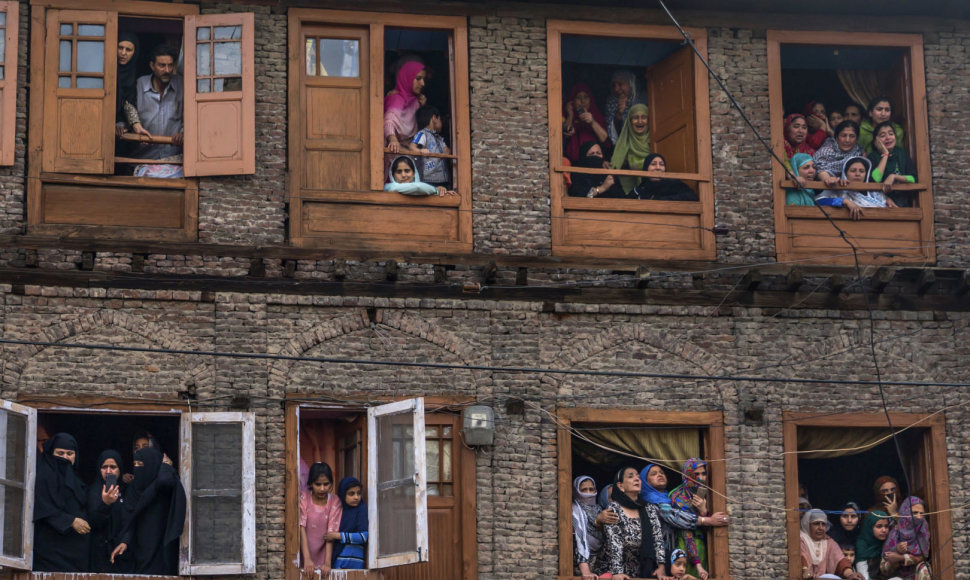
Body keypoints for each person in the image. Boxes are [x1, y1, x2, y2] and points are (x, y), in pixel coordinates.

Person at [110, 447, 185, 575]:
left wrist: (165, 466)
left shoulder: (163, 490)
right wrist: (125, 541)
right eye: (135, 464)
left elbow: (164, 480)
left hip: (161, 549)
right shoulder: (133, 491)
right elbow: (131, 519)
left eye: (141, 464)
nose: (137, 468)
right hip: (140, 550)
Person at [639, 463, 729, 559]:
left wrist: (703, 511)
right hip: (660, 556)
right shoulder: (651, 501)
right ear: (645, 481)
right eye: (653, 474)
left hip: (678, 553)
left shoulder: (670, 497)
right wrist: (708, 520)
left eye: (661, 472)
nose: (660, 475)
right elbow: (675, 516)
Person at [33, 433, 91, 573]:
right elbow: (42, 506)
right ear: (51, 453)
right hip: (51, 551)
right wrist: (71, 521)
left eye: (70, 453)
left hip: (76, 553)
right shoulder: (44, 475)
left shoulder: (76, 479)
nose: (65, 457)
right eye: (60, 453)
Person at [128, 45, 184, 178]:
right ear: (152, 66)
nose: (167, 70)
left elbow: (193, 115)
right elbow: (126, 110)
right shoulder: (139, 85)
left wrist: (183, 131)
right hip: (143, 159)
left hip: (173, 159)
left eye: (170, 65)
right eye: (162, 65)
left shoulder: (182, 85)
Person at [601, 466, 666, 580]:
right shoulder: (614, 509)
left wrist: (661, 567)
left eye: (638, 477)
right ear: (621, 486)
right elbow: (614, 542)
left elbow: (657, 538)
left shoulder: (648, 508)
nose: (637, 479)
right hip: (615, 570)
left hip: (642, 570)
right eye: (631, 476)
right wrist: (617, 572)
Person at [87, 450, 132, 573]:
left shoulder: (127, 491)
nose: (108, 471)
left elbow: (133, 520)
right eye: (104, 467)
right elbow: (92, 523)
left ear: (120, 469)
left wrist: (125, 541)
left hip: (122, 552)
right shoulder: (93, 491)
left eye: (113, 467)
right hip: (99, 554)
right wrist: (105, 503)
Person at [668, 459, 713, 580]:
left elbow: (712, 528)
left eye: (704, 474)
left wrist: (703, 511)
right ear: (687, 474)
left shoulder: (709, 494)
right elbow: (685, 531)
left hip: (702, 547)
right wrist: (697, 564)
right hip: (683, 551)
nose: (701, 478)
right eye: (696, 474)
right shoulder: (677, 496)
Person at [816, 156, 896, 219]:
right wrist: (845, 201)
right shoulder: (839, 190)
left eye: (861, 171)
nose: (857, 174)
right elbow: (818, 201)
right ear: (845, 173)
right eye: (853, 171)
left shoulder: (875, 193)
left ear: (866, 174)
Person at [299, 462, 342, 578]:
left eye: (326, 484)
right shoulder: (304, 498)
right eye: (318, 484)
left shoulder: (335, 501)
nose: (322, 488)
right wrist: (307, 559)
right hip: (304, 554)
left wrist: (327, 563)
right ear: (311, 483)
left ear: (331, 484)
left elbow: (331, 534)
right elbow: (301, 528)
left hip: (324, 556)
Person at [571, 475, 615, 579]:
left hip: (601, 563)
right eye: (584, 490)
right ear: (576, 491)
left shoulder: (599, 509)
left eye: (591, 489)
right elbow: (579, 536)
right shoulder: (574, 510)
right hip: (580, 563)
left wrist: (599, 523)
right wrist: (597, 521)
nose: (588, 493)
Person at [800, 509, 862, 580]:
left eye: (823, 524)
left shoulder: (828, 542)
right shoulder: (801, 540)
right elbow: (801, 558)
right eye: (816, 523)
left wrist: (850, 574)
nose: (821, 528)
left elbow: (840, 561)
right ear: (807, 524)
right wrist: (805, 570)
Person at [868, 121, 918, 207]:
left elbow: (913, 179)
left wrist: (893, 176)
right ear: (876, 141)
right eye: (882, 136)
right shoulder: (873, 157)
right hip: (881, 202)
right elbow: (874, 180)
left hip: (903, 202)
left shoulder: (902, 153)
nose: (888, 138)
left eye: (891, 134)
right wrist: (885, 154)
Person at [881, 497, 931, 580]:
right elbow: (883, 569)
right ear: (905, 512)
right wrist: (897, 551)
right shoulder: (895, 532)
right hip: (896, 575)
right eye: (914, 513)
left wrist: (902, 557)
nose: (919, 517)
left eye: (922, 513)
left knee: (925, 569)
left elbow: (924, 556)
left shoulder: (923, 530)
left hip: (915, 574)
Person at [384, 60, 426, 154]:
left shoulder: (416, 102)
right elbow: (389, 121)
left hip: (412, 155)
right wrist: (393, 139)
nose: (423, 83)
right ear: (407, 78)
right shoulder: (396, 99)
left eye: (423, 79)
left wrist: (423, 108)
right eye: (418, 78)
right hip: (395, 154)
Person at [609, 103, 651, 196]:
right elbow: (614, 167)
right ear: (629, 121)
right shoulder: (624, 144)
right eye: (635, 118)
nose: (640, 121)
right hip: (631, 194)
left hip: (655, 192)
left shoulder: (655, 141)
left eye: (643, 117)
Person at [327, 476, 368, 570]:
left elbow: (363, 537)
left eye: (359, 493)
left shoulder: (361, 510)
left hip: (356, 567)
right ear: (342, 494)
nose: (356, 497)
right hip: (338, 564)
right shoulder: (338, 510)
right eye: (351, 494)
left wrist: (338, 536)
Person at [115, 32, 150, 140]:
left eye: (128, 50)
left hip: (124, 132)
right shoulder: (104, 69)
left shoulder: (136, 74)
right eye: (120, 48)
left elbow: (127, 103)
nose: (123, 53)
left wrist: (134, 124)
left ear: (135, 52)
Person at [563, 82, 609, 163]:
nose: (582, 101)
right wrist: (570, 115)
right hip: (573, 163)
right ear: (572, 101)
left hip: (594, 161)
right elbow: (566, 132)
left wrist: (592, 122)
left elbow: (605, 139)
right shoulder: (567, 116)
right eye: (578, 97)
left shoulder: (597, 116)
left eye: (586, 97)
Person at [409, 104, 451, 189]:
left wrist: (446, 152)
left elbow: (447, 150)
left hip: (442, 178)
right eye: (440, 119)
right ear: (434, 118)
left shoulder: (439, 137)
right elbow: (412, 147)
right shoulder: (423, 134)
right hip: (428, 179)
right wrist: (421, 151)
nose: (441, 122)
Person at [632, 154, 699, 201]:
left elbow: (692, 197)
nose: (658, 168)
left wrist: (661, 200)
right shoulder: (639, 191)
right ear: (646, 168)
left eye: (661, 164)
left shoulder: (674, 185)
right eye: (653, 164)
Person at [605, 70, 646, 144]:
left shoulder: (643, 99)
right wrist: (619, 114)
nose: (616, 89)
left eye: (620, 84)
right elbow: (612, 134)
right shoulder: (611, 103)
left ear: (630, 85)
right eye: (614, 85)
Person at [384, 155, 455, 196]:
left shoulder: (425, 190)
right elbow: (418, 187)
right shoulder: (388, 187)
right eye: (399, 172)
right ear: (392, 175)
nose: (403, 175)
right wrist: (435, 190)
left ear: (414, 173)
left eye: (407, 171)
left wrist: (443, 192)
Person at [855, 510, 892, 580]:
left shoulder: (888, 543)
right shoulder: (862, 544)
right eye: (879, 526)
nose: (884, 530)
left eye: (886, 526)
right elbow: (863, 573)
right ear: (870, 527)